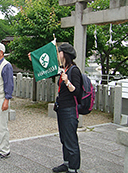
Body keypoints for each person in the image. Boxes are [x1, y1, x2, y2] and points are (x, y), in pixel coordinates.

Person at [52, 43, 82, 173]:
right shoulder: (64, 68)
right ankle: (67, 162)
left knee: (71, 139)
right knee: (64, 138)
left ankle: (73, 168)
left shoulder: (74, 70)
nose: (58, 55)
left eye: (59, 52)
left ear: (65, 54)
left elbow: (77, 92)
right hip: (62, 108)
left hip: (70, 109)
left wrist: (67, 81)